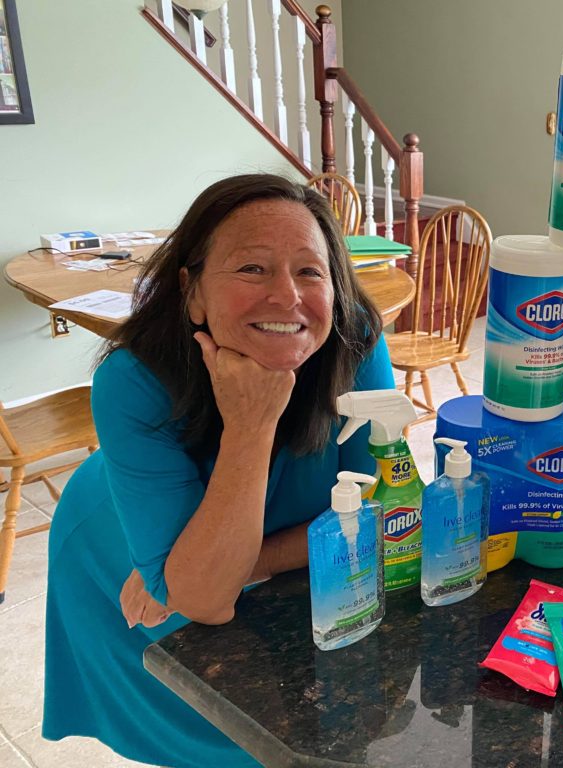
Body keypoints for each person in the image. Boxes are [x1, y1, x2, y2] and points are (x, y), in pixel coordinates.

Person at [42, 174, 395, 767]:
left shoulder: (352, 340)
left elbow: (382, 508)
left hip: (203, 554)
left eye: (311, 272)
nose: (287, 296)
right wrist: (251, 426)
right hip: (122, 535)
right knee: (209, 723)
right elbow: (205, 599)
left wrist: (239, 564)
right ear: (193, 291)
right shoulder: (133, 381)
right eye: (252, 269)